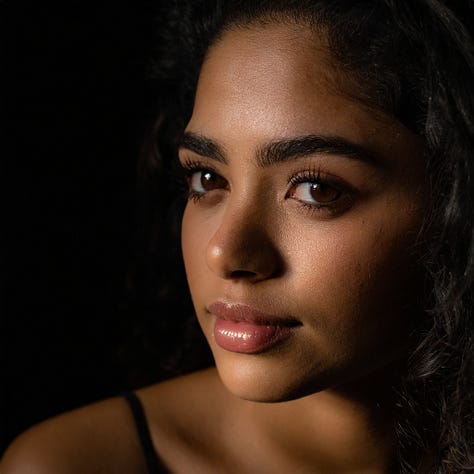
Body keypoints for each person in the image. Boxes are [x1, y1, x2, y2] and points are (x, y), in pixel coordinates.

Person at [2, 1, 473, 473]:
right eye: (207, 179)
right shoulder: (76, 464)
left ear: (457, 199)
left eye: (316, 189)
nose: (223, 252)